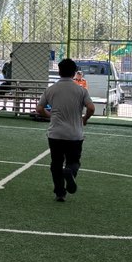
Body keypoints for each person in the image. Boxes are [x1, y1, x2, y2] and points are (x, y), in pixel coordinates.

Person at [36, 58, 96, 203]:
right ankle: (70, 171)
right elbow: (91, 108)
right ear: (74, 73)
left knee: (56, 163)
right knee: (74, 161)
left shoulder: (51, 89)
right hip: (74, 134)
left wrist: (50, 116)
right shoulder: (81, 90)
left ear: (59, 71)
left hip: (55, 133)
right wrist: (85, 119)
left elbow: (39, 109)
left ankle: (60, 193)